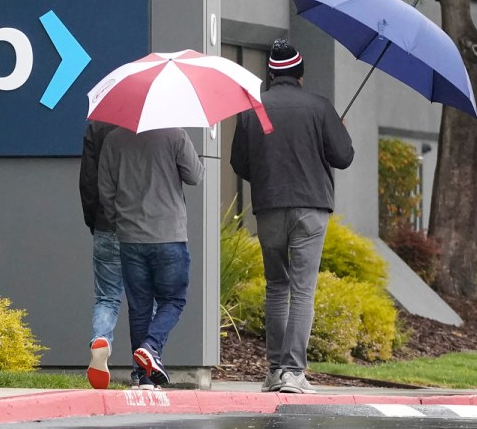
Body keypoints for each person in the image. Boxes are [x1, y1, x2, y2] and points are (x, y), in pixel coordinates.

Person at [230, 39, 354, 394]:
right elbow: (343, 157)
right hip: (311, 209)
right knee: (302, 291)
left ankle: (273, 372)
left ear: (270, 74)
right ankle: (293, 373)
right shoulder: (319, 107)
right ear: (300, 74)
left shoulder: (253, 109)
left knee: (276, 289)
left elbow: (240, 164)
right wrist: (339, 129)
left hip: (268, 208)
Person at [98, 127, 204, 390]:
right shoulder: (175, 135)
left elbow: (105, 191)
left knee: (140, 308)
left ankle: (143, 377)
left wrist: (119, 221)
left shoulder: (113, 139)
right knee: (173, 300)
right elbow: (195, 176)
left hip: (130, 237)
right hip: (169, 234)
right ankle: (151, 347)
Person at [79, 120, 135, 390]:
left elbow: (88, 180)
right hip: (142, 227)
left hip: (106, 225)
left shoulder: (97, 124)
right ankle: (143, 369)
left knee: (106, 297)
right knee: (144, 300)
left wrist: (94, 220)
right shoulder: (150, 122)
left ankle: (101, 339)